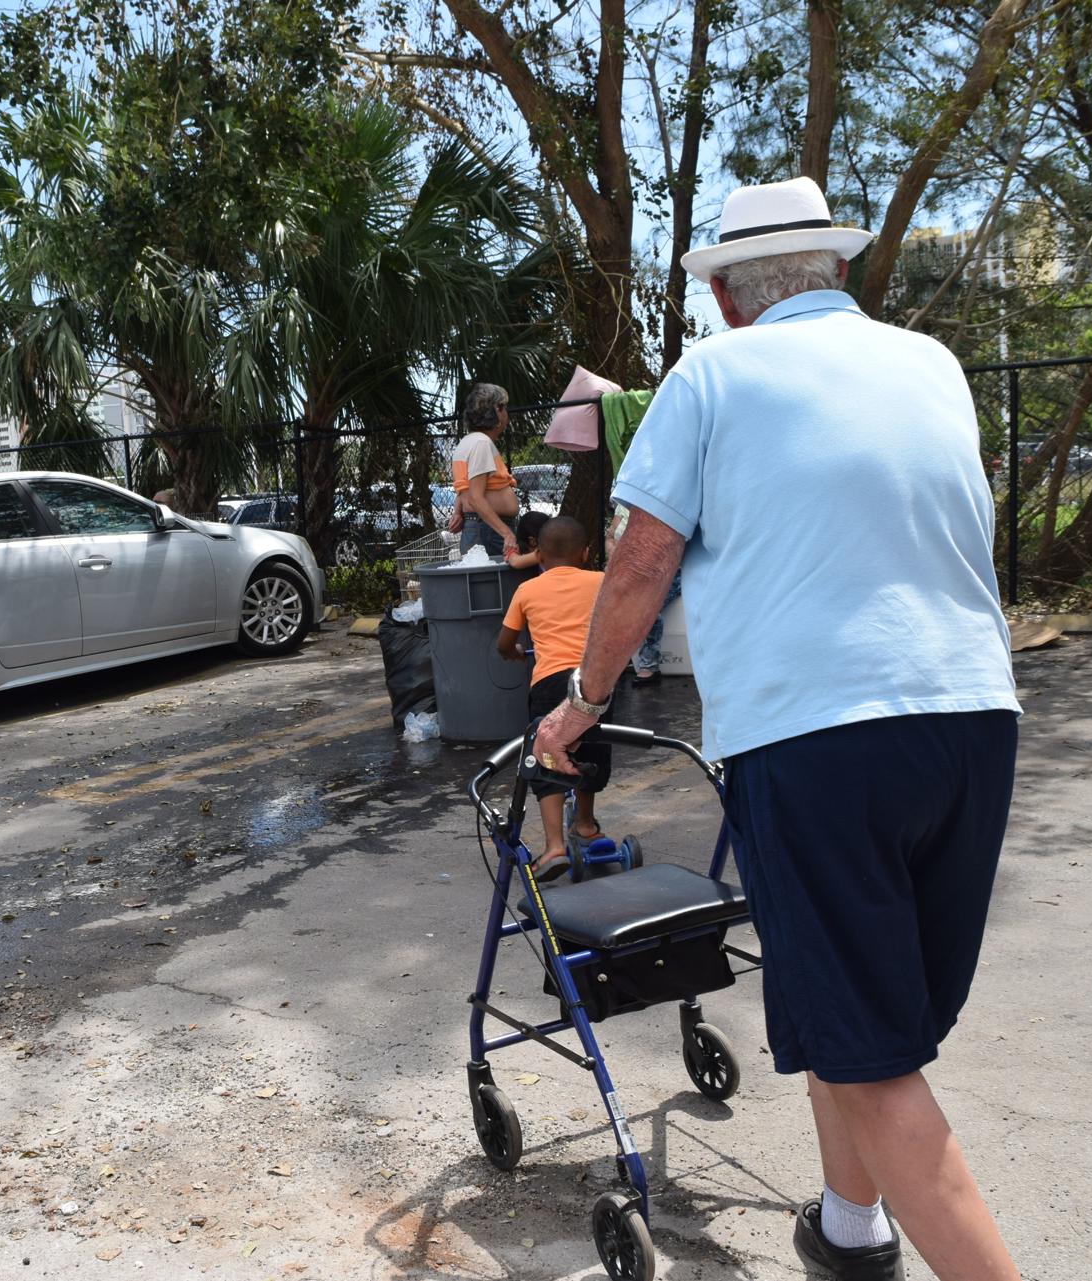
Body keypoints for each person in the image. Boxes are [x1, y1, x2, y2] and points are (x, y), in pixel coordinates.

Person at [533, 176, 1024, 1281]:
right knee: (865, 1016)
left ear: (725, 298)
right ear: (837, 271)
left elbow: (642, 562)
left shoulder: (712, 375)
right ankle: (849, 1230)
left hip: (818, 736)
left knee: (874, 1054)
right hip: (973, 720)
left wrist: (585, 701)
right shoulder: (931, 362)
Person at [496, 517, 606, 879]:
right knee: (590, 748)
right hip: (593, 682)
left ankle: (555, 845)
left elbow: (504, 643)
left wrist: (515, 653)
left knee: (546, 757)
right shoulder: (601, 581)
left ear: (537, 554)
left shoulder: (527, 591)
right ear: (586, 553)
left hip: (549, 684)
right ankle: (586, 825)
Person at [448, 383, 519, 557]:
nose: (506, 413)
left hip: (480, 527)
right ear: (497, 410)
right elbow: (475, 497)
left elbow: (466, 486)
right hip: (489, 531)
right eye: (505, 408)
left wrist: (458, 511)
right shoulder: (481, 444)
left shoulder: (467, 442)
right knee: (498, 584)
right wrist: (506, 533)